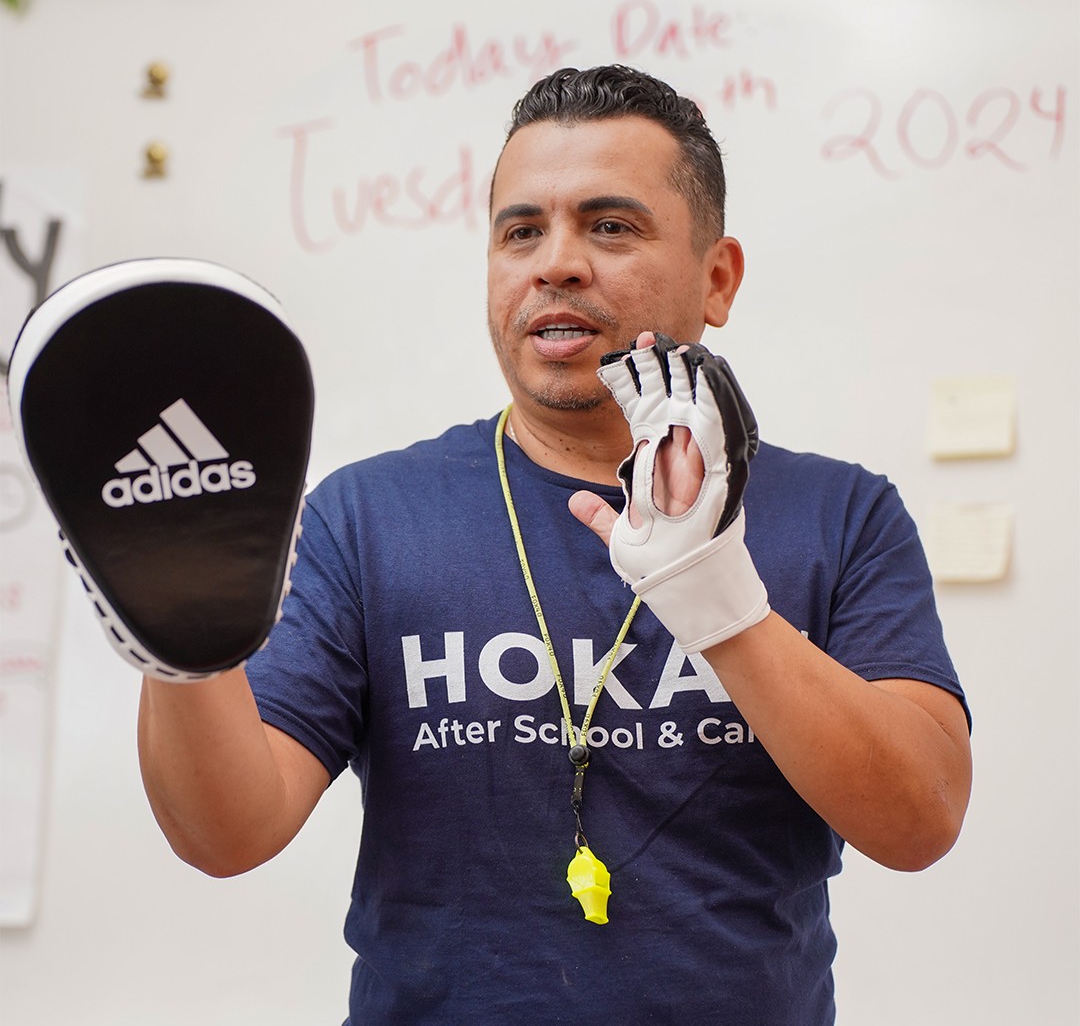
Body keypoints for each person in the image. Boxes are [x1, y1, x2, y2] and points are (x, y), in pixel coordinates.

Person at [136, 65, 972, 1024]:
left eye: (610, 227)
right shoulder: (367, 517)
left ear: (718, 278)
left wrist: (721, 604)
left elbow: (921, 819)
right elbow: (226, 834)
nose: (557, 264)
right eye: (521, 231)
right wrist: (174, 629)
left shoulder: (840, 514)